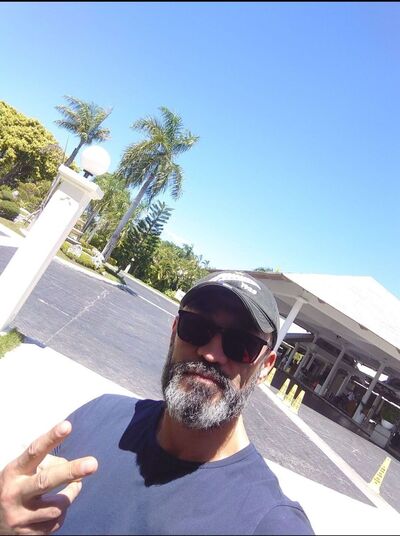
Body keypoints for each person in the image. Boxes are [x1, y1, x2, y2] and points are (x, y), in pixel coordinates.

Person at [0, 271, 314, 535]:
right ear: (175, 332)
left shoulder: (272, 523)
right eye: (197, 328)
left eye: (242, 344)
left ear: (265, 367)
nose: (211, 354)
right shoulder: (96, 415)